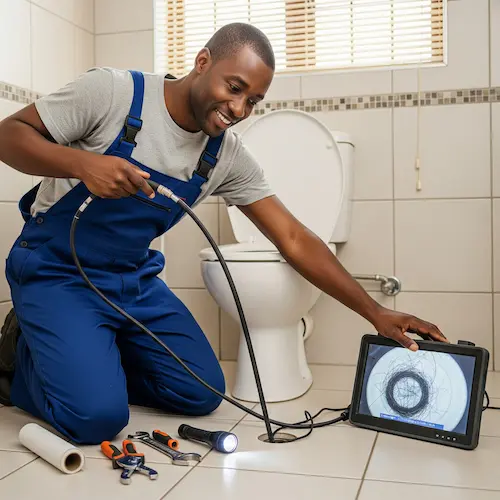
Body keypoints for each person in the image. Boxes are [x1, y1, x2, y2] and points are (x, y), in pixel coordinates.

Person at [0, 23, 447, 445]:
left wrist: (374, 313)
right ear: (201, 62)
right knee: (96, 419)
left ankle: (88, 360)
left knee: (200, 393)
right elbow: (8, 135)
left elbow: (292, 237)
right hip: (57, 271)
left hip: (130, 281)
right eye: (234, 88)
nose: (239, 109)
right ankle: (17, 359)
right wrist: (83, 164)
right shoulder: (114, 92)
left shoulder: (226, 155)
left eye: (253, 101)